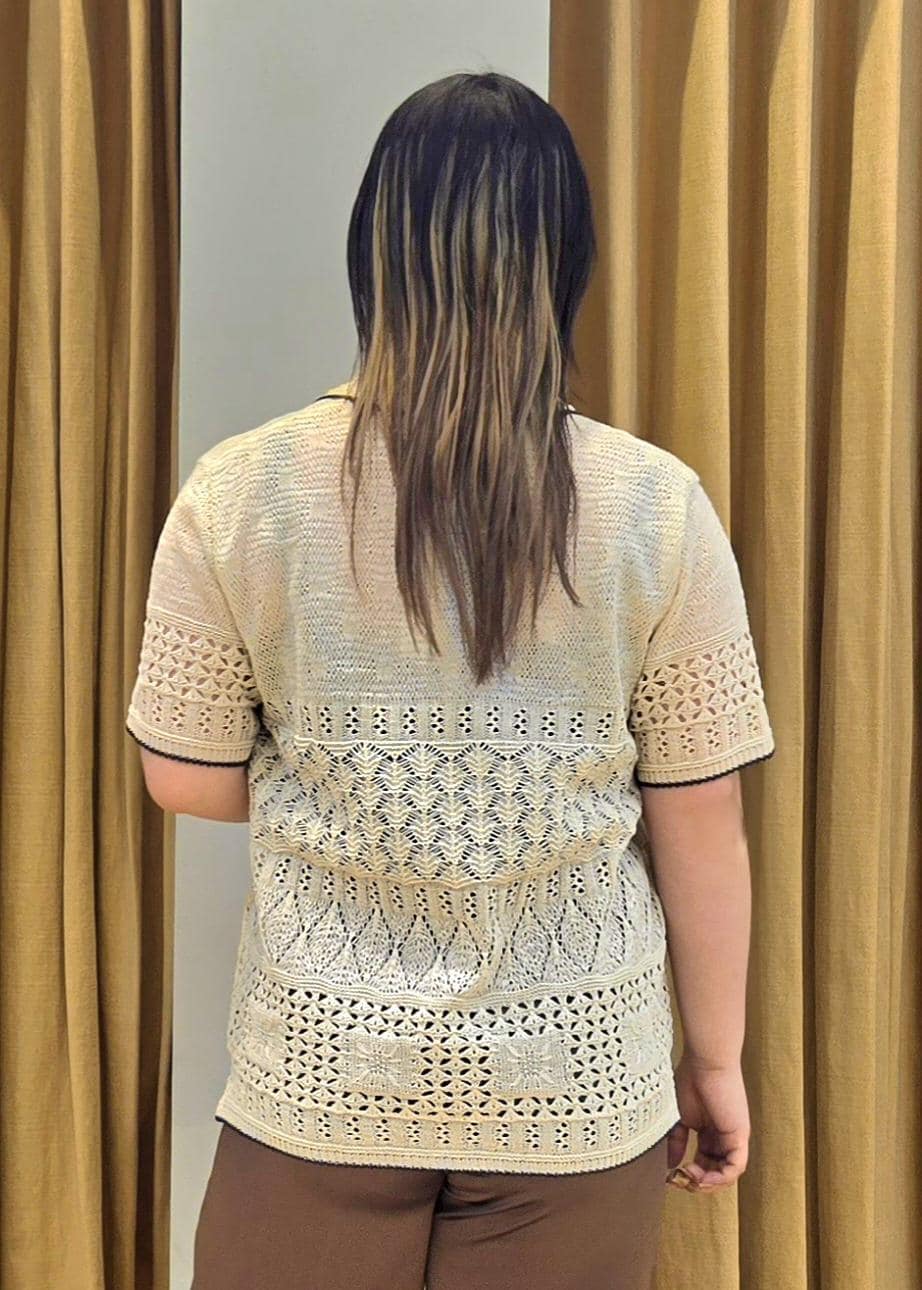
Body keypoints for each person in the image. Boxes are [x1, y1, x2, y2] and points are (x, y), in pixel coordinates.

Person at [126, 70, 775, 1290]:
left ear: (373, 251)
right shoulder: (653, 504)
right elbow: (701, 812)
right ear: (565, 259)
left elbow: (184, 777)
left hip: (324, 1073)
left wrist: (359, 788)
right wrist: (716, 1061)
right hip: (579, 1081)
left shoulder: (241, 491)